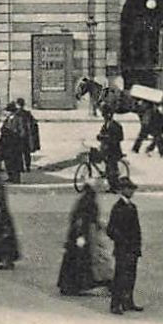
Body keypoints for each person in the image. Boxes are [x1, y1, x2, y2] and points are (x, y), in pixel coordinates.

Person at [58, 182, 104, 295]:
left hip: (78, 235)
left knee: (75, 258)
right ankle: (81, 284)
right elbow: (87, 220)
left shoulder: (82, 201)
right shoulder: (90, 202)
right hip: (83, 235)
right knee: (83, 258)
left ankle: (69, 284)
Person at [106, 178, 144, 313]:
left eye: (132, 189)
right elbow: (110, 229)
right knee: (120, 277)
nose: (132, 191)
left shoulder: (132, 207)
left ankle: (128, 302)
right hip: (123, 249)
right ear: (122, 190)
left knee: (131, 276)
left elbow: (137, 230)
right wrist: (122, 241)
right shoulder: (118, 208)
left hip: (132, 249)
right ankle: (115, 304)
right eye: (129, 189)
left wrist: (137, 247)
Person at [0, 102, 26, 184]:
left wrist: (15, 136)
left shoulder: (18, 119)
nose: (5, 113)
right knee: (8, 161)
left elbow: (22, 131)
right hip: (6, 143)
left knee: (15, 161)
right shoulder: (8, 119)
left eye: (6, 111)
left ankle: (16, 178)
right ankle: (10, 176)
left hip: (14, 144)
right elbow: (4, 129)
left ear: (10, 111)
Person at [98, 111, 125, 191]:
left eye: (105, 116)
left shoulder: (116, 125)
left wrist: (108, 138)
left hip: (113, 150)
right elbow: (102, 133)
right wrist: (100, 137)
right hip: (107, 150)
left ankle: (115, 187)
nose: (104, 118)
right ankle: (112, 186)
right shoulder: (105, 125)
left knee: (112, 169)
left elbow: (120, 137)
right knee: (109, 169)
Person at [15, 99, 40, 173]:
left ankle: (21, 168)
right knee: (26, 153)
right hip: (27, 136)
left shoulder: (16, 114)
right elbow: (34, 123)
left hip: (19, 136)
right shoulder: (27, 113)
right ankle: (28, 167)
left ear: (17, 105)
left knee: (19, 153)